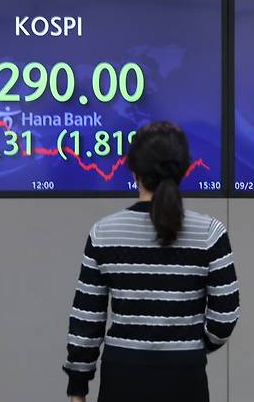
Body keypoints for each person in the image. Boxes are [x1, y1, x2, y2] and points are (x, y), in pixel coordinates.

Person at [63, 121, 240, 402]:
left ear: (133, 170)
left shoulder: (103, 233)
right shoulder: (210, 233)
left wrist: (77, 388)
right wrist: (190, 347)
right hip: (186, 376)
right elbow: (225, 316)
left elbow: (87, 320)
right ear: (184, 170)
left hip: (122, 377)